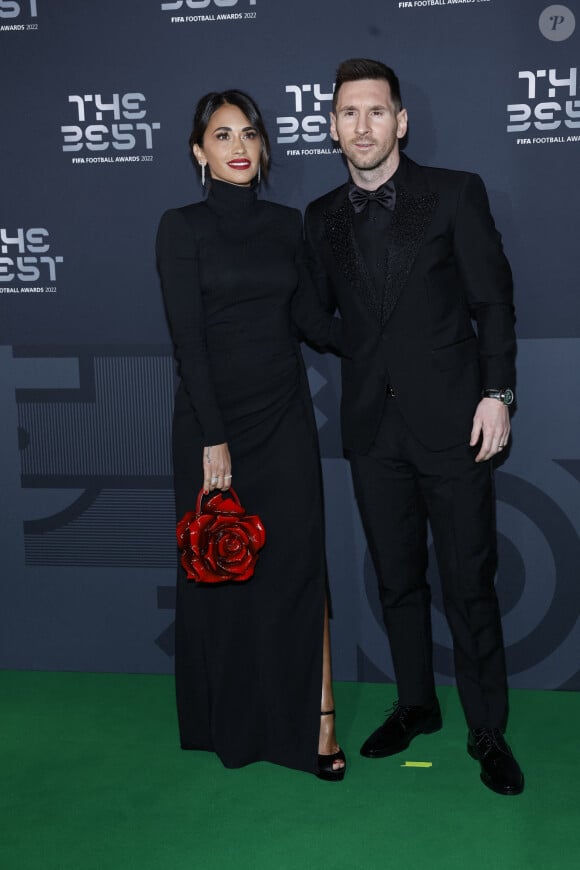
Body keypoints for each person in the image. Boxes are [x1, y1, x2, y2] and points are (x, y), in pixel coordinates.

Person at [304, 58, 523, 795]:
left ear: (401, 120)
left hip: (456, 422)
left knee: (470, 582)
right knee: (398, 582)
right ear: (332, 127)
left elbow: (493, 301)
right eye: (347, 113)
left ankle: (486, 728)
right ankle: (417, 704)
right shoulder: (320, 217)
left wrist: (498, 393)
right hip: (372, 428)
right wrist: (355, 345)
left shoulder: (456, 193)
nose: (361, 125)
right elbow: (313, 311)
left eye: (375, 111)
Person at [156, 90, 346, 780]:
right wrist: (214, 437)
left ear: (264, 148)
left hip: (284, 418)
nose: (238, 146)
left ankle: (317, 721)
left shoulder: (286, 223)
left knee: (297, 568)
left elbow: (310, 321)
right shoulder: (181, 227)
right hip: (215, 423)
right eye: (222, 134)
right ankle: (234, 725)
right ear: (198, 151)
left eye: (250, 134)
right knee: (223, 574)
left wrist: (386, 330)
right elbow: (189, 341)